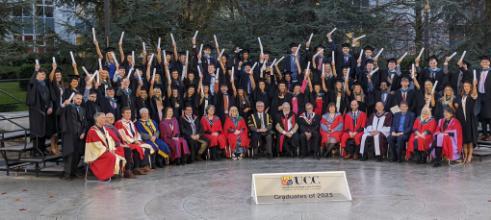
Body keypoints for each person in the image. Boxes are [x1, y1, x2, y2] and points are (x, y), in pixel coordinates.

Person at [84, 112, 127, 181]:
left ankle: (113, 173)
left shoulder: (104, 129)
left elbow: (109, 140)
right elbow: (96, 145)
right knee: (111, 156)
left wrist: (111, 148)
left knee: (118, 152)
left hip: (104, 150)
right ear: (97, 119)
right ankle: (106, 175)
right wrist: (108, 150)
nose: (105, 120)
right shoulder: (92, 131)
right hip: (96, 153)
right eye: (103, 118)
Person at [115, 107, 154, 172]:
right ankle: (136, 167)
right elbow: (122, 135)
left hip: (135, 141)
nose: (128, 114)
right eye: (127, 113)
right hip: (126, 143)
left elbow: (136, 132)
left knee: (147, 147)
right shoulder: (119, 123)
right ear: (122, 114)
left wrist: (138, 140)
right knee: (137, 148)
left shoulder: (131, 122)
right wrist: (133, 141)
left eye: (129, 113)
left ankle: (144, 166)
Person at [59, 93, 87, 180]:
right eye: (77, 98)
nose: (79, 100)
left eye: (80, 99)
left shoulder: (82, 109)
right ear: (73, 99)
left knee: (77, 155)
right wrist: (63, 105)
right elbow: (58, 112)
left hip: (79, 136)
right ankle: (67, 174)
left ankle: (73, 172)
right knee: (69, 154)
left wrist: (83, 132)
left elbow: (84, 123)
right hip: (69, 135)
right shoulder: (68, 107)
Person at [27, 67, 53, 155]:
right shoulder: (33, 84)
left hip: (45, 111)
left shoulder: (44, 85)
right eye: (41, 74)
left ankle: (42, 148)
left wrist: (50, 107)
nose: (43, 76)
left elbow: (49, 98)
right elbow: (31, 82)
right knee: (37, 131)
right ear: (37, 75)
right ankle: (36, 150)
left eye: (44, 75)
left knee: (43, 131)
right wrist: (35, 71)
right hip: (36, 112)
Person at [455, 80, 479, 164]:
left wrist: (475, 85)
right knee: (465, 140)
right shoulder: (461, 96)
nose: (466, 88)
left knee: (470, 140)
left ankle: (470, 155)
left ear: (470, 87)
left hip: (470, 120)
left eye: (468, 86)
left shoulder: (471, 95)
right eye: (465, 86)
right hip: (462, 121)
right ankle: (465, 155)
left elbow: (475, 95)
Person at [476, 56, 491, 140]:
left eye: (486, 62)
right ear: (480, 63)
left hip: (489, 96)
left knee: (490, 116)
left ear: (489, 63)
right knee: (482, 116)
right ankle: (485, 134)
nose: (484, 63)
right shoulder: (478, 72)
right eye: (483, 62)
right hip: (480, 96)